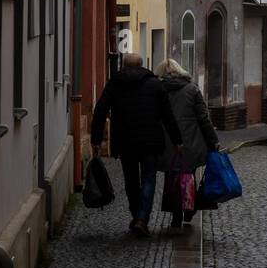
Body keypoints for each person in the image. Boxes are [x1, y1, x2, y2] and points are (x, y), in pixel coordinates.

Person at [90, 52, 183, 237]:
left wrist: (96, 139)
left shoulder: (115, 83)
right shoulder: (155, 84)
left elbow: (100, 109)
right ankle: (142, 218)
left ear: (123, 66)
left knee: (131, 180)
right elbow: (167, 115)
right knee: (148, 179)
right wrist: (177, 140)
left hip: (125, 141)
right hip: (151, 141)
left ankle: (137, 215)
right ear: (141, 65)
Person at [156, 58, 220, 230]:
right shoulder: (192, 89)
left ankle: (176, 214)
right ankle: (189, 207)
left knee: (172, 177)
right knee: (188, 175)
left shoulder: (158, 90)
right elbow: (203, 118)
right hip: (191, 140)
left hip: (167, 141)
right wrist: (213, 140)